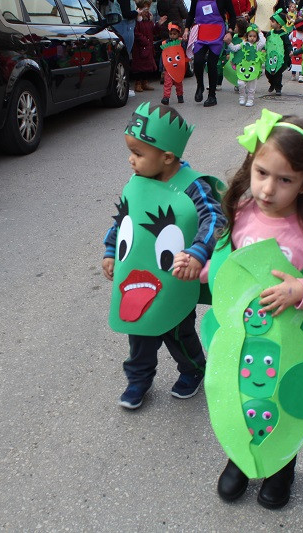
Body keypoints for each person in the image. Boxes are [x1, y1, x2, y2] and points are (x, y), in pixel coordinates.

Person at [196, 109, 303, 509]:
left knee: (286, 407)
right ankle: (240, 459)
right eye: (261, 173)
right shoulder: (240, 218)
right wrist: (200, 271)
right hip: (242, 345)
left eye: (284, 179)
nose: (267, 189)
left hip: (295, 348)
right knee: (242, 402)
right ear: (250, 166)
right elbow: (225, 271)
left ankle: (281, 468)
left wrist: (302, 290)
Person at [102, 103, 226, 409]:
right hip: (137, 278)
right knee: (139, 333)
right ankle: (138, 380)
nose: (131, 160)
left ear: (167, 157)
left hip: (174, 279)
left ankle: (194, 370)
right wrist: (109, 249)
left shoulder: (192, 186)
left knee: (177, 331)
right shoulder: (137, 181)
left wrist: (198, 252)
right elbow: (124, 217)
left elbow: (214, 218)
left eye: (138, 153)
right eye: (130, 151)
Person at [183, 0, 237, 107]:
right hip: (201, 32)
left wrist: (230, 32)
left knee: (212, 64)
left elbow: (232, 15)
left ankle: (212, 96)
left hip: (217, 31)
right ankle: (200, 86)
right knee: (198, 61)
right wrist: (186, 29)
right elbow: (191, 13)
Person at [132, 0, 166, 92]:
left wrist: (159, 24)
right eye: (145, 9)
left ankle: (145, 82)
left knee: (147, 65)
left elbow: (153, 31)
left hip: (147, 46)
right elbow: (136, 33)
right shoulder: (137, 20)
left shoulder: (148, 19)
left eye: (148, 8)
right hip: (140, 46)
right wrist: (145, 41)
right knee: (139, 66)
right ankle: (138, 83)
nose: (147, 11)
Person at [228, 23, 266, 106]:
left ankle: (250, 99)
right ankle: (242, 96)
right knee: (240, 83)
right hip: (243, 67)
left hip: (253, 68)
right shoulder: (243, 44)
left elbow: (263, 42)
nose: (252, 38)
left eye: (254, 36)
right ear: (247, 36)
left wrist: (260, 32)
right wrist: (229, 43)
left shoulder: (257, 46)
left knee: (251, 86)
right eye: (250, 36)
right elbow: (234, 48)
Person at [266, 10, 293, 94]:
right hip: (270, 57)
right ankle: (272, 83)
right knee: (268, 72)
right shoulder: (269, 33)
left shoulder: (284, 34)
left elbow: (288, 44)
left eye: (273, 22)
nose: (271, 23)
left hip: (280, 58)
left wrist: (290, 51)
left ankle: (278, 87)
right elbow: (266, 43)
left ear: (279, 24)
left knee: (277, 73)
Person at [161, 23, 186, 104]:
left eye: (174, 34)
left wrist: (184, 43)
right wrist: (162, 68)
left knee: (178, 82)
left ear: (178, 34)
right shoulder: (165, 43)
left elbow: (183, 53)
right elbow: (163, 56)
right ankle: (166, 97)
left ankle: (180, 96)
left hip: (178, 68)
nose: (172, 36)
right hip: (168, 67)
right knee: (167, 83)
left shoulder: (181, 42)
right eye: (171, 34)